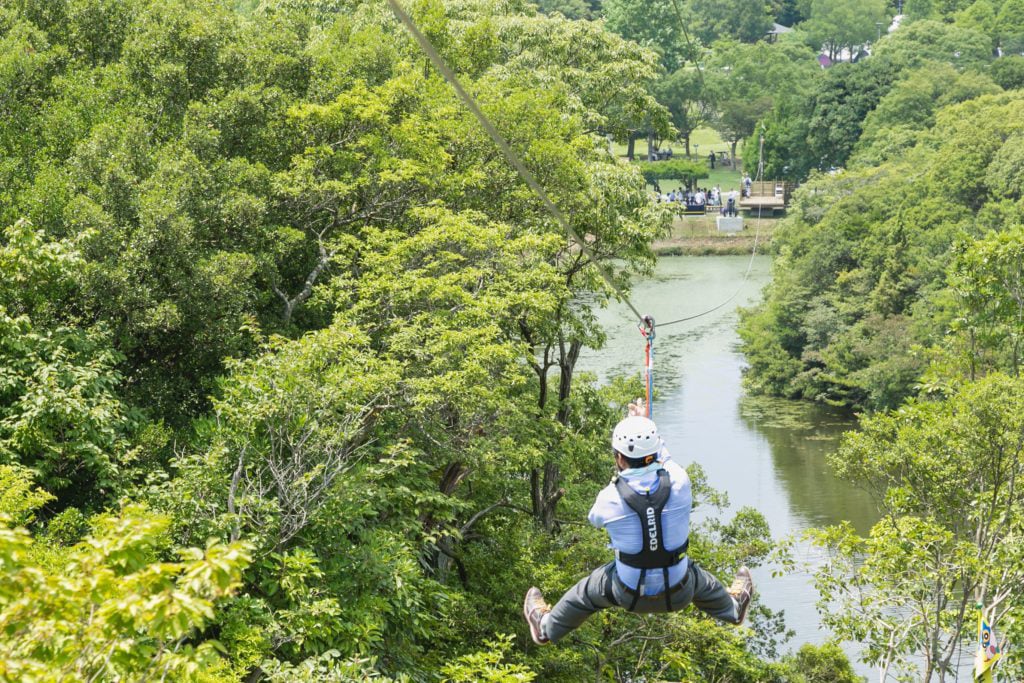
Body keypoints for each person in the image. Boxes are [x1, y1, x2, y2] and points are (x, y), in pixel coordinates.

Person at [523, 406, 755, 645]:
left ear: (620, 458)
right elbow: (664, 458)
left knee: (585, 594)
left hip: (628, 594)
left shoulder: (610, 497)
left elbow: (594, 519)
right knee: (697, 577)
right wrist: (645, 423)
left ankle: (545, 628)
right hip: (680, 592)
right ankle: (733, 609)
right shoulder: (680, 480)